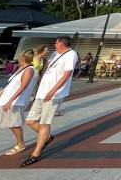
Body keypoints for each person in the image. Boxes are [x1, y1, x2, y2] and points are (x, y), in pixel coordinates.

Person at [21, 36, 78, 167]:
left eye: (57, 43)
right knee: (30, 120)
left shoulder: (71, 55)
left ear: (62, 44)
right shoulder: (55, 53)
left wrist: (53, 90)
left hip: (54, 94)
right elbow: (47, 65)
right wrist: (41, 78)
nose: (55, 44)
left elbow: (67, 73)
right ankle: (46, 137)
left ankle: (36, 153)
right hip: (41, 92)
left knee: (45, 123)